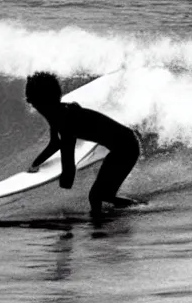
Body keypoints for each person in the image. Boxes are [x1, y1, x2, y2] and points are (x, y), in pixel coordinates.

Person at [25, 72, 140, 217]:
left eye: (33, 101)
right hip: (124, 144)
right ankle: (129, 211)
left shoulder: (64, 118)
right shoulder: (56, 113)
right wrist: (35, 164)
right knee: (104, 195)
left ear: (45, 101)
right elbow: (55, 143)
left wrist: (67, 178)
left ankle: (100, 225)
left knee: (96, 196)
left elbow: (67, 151)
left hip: (125, 147)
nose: (32, 105)